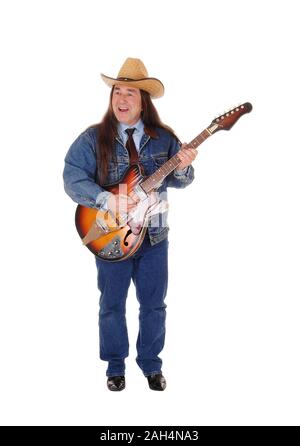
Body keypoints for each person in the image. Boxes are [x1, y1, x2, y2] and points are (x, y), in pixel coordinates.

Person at [63, 58, 197, 391]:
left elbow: (182, 180)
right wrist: (107, 200)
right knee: (111, 305)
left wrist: (183, 166)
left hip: (154, 238)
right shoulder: (93, 139)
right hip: (111, 237)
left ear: (143, 101)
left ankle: (151, 365)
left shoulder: (164, 138)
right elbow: (71, 177)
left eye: (130, 93)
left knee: (154, 305)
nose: (122, 99)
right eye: (117, 92)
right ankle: (115, 367)